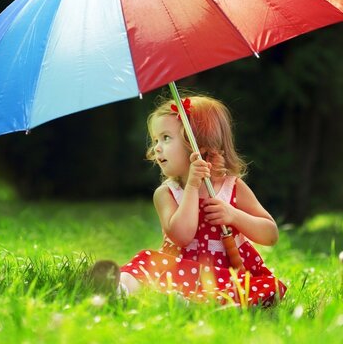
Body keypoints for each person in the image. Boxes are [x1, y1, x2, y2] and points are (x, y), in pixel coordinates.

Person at [112, 94, 286, 306]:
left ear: (199, 144)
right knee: (146, 262)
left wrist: (234, 215)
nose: (156, 147)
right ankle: (120, 287)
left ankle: (191, 302)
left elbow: (270, 234)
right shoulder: (167, 193)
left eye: (166, 138)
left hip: (225, 276)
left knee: (256, 287)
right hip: (179, 271)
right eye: (156, 140)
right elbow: (181, 236)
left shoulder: (233, 188)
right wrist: (192, 187)